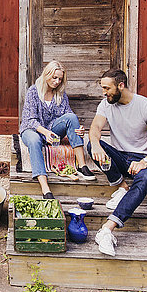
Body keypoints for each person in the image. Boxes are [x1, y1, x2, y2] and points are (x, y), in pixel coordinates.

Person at [87, 69, 147, 256]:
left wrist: (144, 162)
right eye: (103, 88)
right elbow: (96, 128)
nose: (104, 93)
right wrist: (96, 145)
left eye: (107, 88)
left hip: (142, 160)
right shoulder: (106, 104)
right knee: (92, 145)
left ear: (120, 85)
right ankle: (122, 187)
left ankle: (107, 229)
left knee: (145, 179)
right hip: (120, 157)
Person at [20, 60, 96, 199]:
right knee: (34, 140)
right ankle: (45, 188)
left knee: (72, 117)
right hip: (32, 129)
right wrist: (45, 132)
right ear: (47, 74)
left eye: (60, 79)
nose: (57, 82)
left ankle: (82, 166)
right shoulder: (33, 91)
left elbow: (68, 116)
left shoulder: (60, 94)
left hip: (52, 131)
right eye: (54, 77)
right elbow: (30, 120)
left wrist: (77, 130)